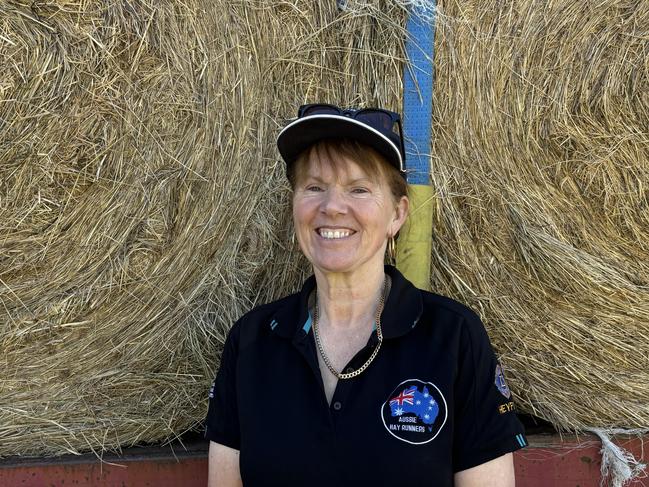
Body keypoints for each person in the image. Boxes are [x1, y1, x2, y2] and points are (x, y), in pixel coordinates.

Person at [205, 104, 527, 486]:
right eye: (314, 187)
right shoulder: (251, 341)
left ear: (397, 214)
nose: (332, 207)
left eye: (358, 189)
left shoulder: (453, 338)